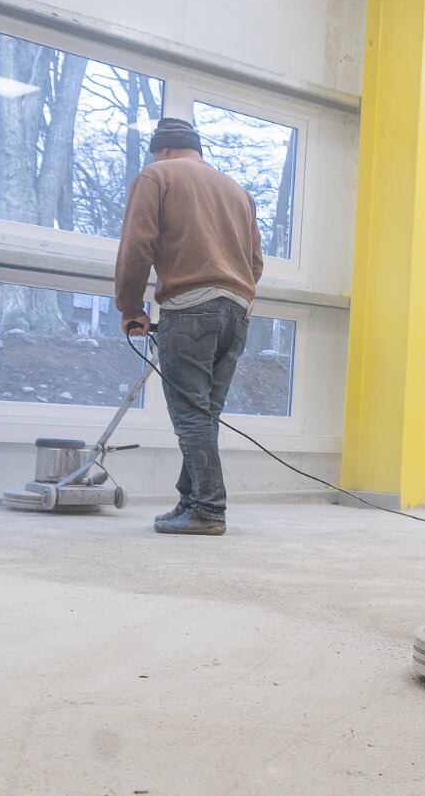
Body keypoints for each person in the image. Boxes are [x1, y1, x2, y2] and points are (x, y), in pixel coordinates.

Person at [115, 117, 263, 536]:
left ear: (161, 149)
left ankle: (209, 510)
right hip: (237, 311)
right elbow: (255, 263)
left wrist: (130, 307)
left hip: (190, 307)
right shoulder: (236, 190)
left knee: (190, 415)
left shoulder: (156, 175)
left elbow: (136, 244)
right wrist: (236, 297)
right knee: (206, 414)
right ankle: (191, 500)